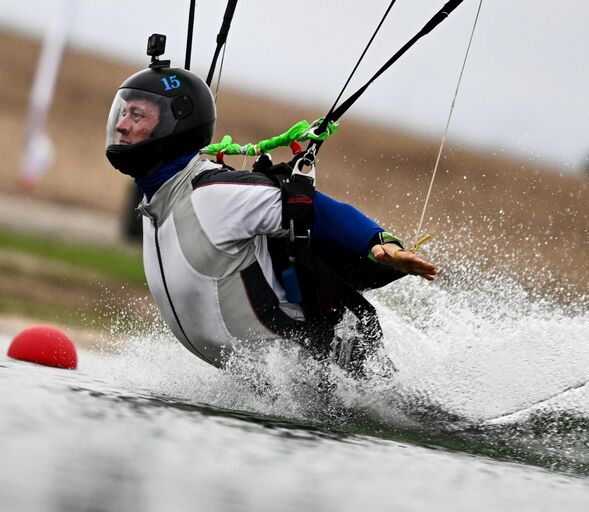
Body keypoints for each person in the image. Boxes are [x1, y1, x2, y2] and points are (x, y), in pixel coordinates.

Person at [105, 59, 436, 376]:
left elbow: (306, 205)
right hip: (269, 391)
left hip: (325, 379)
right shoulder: (157, 203)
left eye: (137, 115)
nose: (121, 125)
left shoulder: (213, 196)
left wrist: (379, 243)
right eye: (122, 112)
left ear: (174, 124)